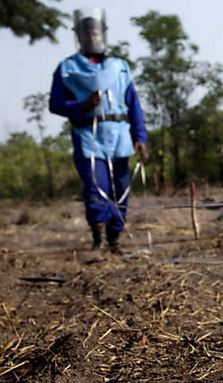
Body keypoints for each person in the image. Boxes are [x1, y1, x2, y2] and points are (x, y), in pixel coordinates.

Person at [49, 7, 148, 254]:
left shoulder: (120, 67)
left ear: (102, 33)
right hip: (88, 137)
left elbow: (133, 104)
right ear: (79, 36)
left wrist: (140, 137)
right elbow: (55, 104)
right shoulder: (68, 68)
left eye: (95, 32)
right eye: (86, 33)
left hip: (120, 136)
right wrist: (81, 105)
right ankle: (99, 236)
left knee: (121, 188)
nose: (91, 37)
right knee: (96, 187)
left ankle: (115, 238)